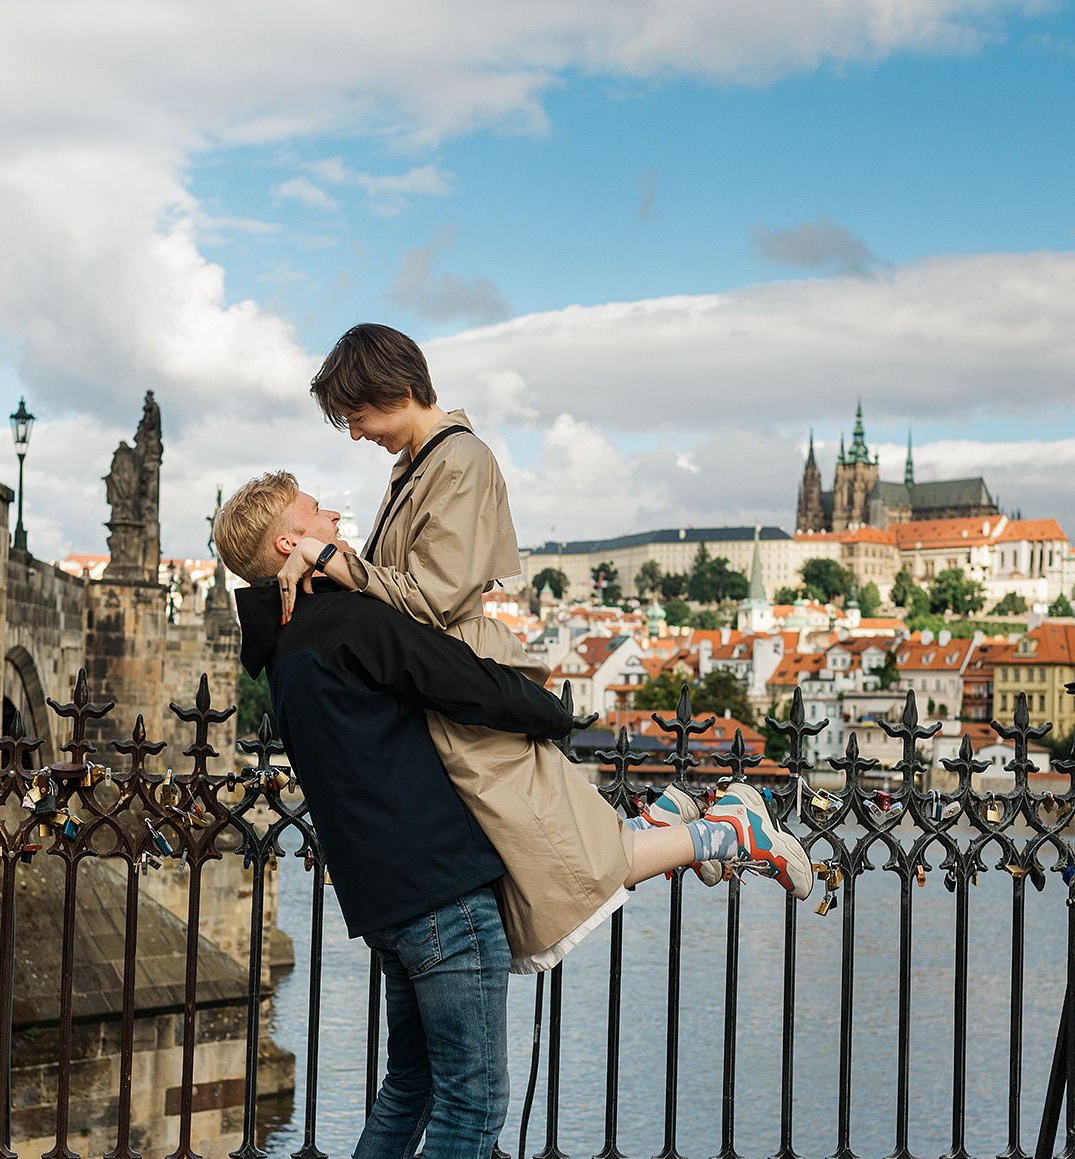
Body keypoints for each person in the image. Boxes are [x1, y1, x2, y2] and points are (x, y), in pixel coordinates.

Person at [226, 474, 802, 1159]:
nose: (334, 517)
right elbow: (457, 679)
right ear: (283, 548)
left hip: (385, 897)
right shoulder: (347, 621)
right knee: (475, 1095)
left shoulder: (285, 652)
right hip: (439, 887)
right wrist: (554, 713)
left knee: (413, 1082)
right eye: (313, 517)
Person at [242, 324, 810, 972]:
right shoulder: (414, 465)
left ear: (398, 390)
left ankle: (730, 827)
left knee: (561, 863)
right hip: (441, 686)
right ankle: (684, 823)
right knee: (553, 858)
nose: (355, 432)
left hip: (464, 683)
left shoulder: (459, 459)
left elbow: (430, 599)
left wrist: (329, 560)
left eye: (358, 414)